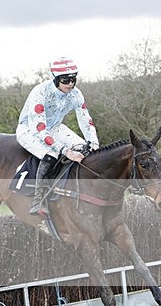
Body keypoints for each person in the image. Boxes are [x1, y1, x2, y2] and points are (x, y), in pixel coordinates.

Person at [16, 57, 100, 215]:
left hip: (54, 128)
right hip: (30, 129)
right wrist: (66, 151)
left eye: (73, 80)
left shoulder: (76, 94)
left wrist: (94, 143)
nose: (70, 84)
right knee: (52, 154)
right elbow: (39, 129)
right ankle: (38, 201)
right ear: (55, 79)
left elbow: (85, 120)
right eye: (65, 80)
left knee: (84, 149)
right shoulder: (40, 92)